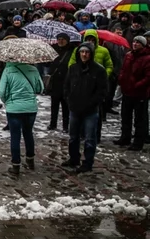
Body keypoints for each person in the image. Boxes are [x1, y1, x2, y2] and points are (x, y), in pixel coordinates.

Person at [63, 43, 108, 173]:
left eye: (87, 52)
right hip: (75, 108)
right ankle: (74, 158)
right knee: (73, 136)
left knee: (89, 138)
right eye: (82, 52)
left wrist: (91, 103)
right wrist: (69, 100)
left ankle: (88, 162)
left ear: (91, 54)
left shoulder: (99, 70)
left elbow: (102, 91)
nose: (84, 54)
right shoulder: (73, 68)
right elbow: (66, 86)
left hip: (90, 110)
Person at [0, 58, 43, 175]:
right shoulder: (33, 69)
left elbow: (2, 92)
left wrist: (7, 101)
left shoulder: (8, 71)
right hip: (30, 108)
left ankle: (16, 165)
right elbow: (40, 88)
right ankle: (30, 160)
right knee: (28, 133)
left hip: (14, 108)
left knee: (15, 136)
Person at [115, 36, 150, 151]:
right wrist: (121, 79)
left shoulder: (147, 58)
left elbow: (148, 77)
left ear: (143, 45)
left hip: (140, 93)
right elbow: (124, 70)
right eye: (134, 42)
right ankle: (125, 137)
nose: (135, 44)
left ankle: (138, 142)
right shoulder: (129, 55)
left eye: (138, 42)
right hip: (127, 91)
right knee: (125, 116)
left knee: (139, 119)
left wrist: (137, 85)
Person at [46, 33, 73, 132]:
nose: (60, 41)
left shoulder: (71, 50)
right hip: (55, 81)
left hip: (66, 80)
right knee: (54, 105)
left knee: (65, 106)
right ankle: (53, 124)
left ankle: (65, 126)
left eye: (63, 39)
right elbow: (48, 64)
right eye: (59, 39)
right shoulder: (53, 49)